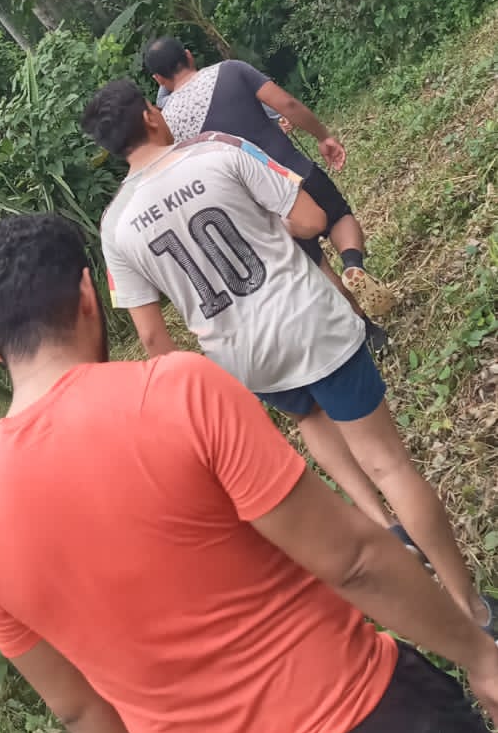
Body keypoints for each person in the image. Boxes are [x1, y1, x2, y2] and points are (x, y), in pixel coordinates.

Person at [0, 211, 498, 733]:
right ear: (89, 295)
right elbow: (352, 560)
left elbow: (75, 706)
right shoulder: (175, 392)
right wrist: (477, 653)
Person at [82, 77, 495, 631]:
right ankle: (470, 609)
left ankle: (380, 525)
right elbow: (311, 220)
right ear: (151, 116)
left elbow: (154, 340)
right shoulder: (220, 149)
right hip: (308, 320)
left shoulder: (114, 227)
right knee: (388, 462)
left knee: (310, 417)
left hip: (245, 358)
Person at [144, 36, 391, 334]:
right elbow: (287, 104)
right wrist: (323, 136)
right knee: (338, 217)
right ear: (189, 55)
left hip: (263, 205)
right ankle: (353, 264)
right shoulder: (231, 70)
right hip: (294, 170)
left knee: (316, 264)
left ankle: (368, 331)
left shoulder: (168, 126)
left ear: (159, 79)